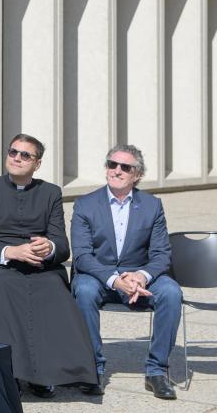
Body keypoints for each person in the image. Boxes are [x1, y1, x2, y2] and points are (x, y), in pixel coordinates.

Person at [0, 133, 97, 398]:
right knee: (5, 286)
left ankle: (45, 374)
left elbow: (62, 245)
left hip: (39, 268)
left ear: (37, 164)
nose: (17, 158)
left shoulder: (50, 192)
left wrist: (48, 247)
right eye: (13, 152)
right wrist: (10, 252)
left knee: (52, 287)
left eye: (25, 155)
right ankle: (12, 373)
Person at [71, 144, 182, 400]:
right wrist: (114, 280)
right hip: (99, 277)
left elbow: (161, 254)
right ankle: (92, 369)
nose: (117, 171)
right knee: (84, 289)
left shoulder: (152, 205)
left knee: (171, 292)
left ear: (137, 175)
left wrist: (141, 276)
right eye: (112, 164)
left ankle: (156, 371)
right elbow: (83, 256)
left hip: (139, 277)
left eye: (125, 167)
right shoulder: (85, 205)